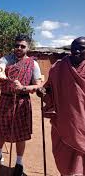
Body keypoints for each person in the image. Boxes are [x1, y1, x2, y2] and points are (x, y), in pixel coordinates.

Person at [0, 35, 42, 175]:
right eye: (17, 45)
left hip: (22, 102)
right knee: (0, 129)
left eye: (22, 46)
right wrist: (0, 72)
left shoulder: (33, 64)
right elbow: (1, 67)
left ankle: (19, 163)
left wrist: (23, 87)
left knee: (21, 133)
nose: (19, 48)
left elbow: (38, 85)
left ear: (28, 48)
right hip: (5, 100)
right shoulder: (6, 59)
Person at [37, 37, 85, 175]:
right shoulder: (59, 67)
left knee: (79, 161)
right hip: (63, 122)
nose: (77, 50)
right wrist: (43, 92)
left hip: (82, 125)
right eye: (74, 46)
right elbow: (49, 88)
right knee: (64, 161)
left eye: (82, 48)